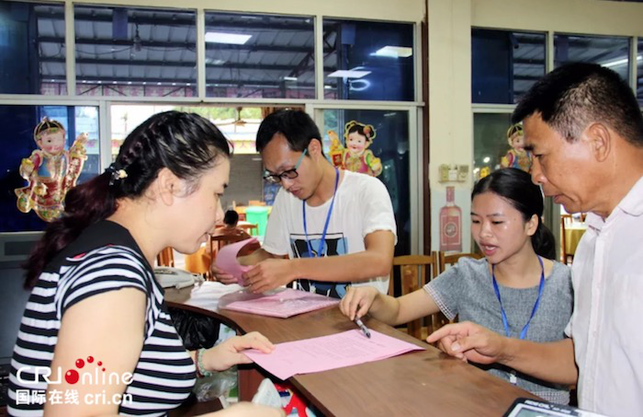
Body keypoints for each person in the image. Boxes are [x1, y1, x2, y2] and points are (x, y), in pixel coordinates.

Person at [8, 111, 282, 416]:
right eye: (216, 193)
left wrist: (203, 360)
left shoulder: (111, 252)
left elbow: (125, 373)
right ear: (169, 185)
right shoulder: (113, 277)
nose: (219, 214)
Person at [427, 62, 643, 416]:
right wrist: (500, 349)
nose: (536, 176)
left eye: (540, 155)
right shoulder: (593, 242)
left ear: (598, 141)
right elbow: (580, 362)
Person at [340, 168, 572, 403]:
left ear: (531, 224)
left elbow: (579, 367)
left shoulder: (568, 284)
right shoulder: (467, 275)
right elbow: (399, 310)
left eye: (497, 221)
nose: (483, 233)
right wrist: (374, 297)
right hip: (478, 406)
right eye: (475, 221)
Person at [213, 109, 396, 298]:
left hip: (361, 322)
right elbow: (271, 254)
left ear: (314, 149)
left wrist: (294, 268)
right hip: (307, 320)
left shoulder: (366, 191)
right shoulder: (287, 197)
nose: (286, 183)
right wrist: (235, 265)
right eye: (275, 176)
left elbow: (379, 261)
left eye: (289, 171)